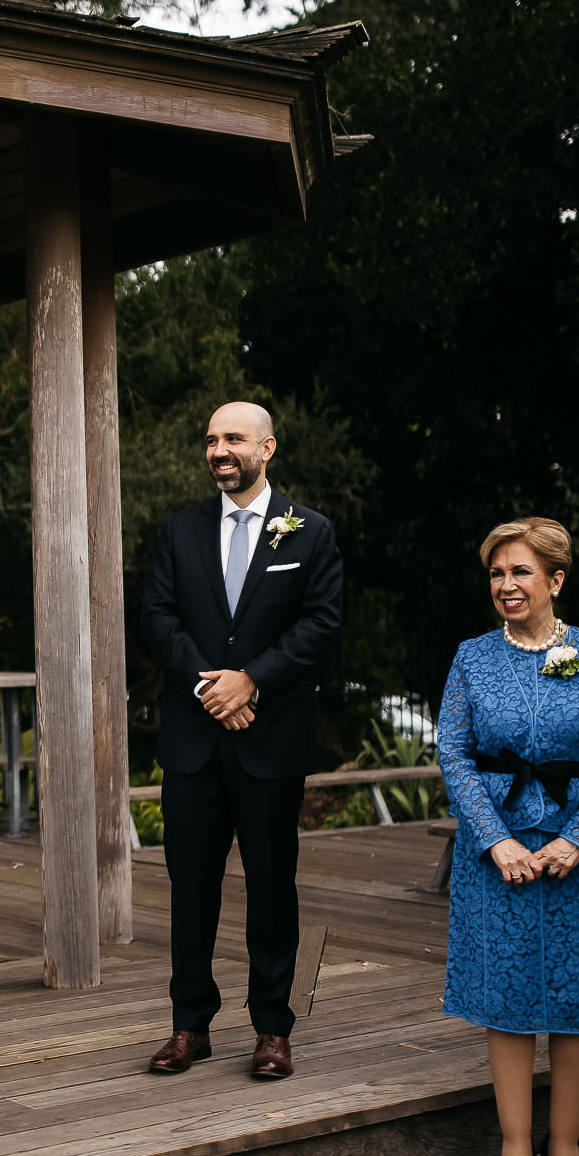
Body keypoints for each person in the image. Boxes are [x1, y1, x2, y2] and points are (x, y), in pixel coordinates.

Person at [140, 401, 343, 1080]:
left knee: (271, 887)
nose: (218, 449)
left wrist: (251, 681)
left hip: (270, 738)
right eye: (210, 439)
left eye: (232, 438)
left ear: (268, 447)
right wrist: (210, 687)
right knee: (190, 887)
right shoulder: (180, 530)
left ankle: (272, 1029)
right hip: (195, 740)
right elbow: (157, 616)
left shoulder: (310, 532)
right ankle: (189, 1024)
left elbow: (321, 624)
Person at [438, 516, 579, 1156]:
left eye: (521, 571)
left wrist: (578, 840)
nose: (506, 584)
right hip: (499, 853)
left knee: (578, 1004)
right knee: (508, 999)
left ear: (555, 579)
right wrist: (497, 839)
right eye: (496, 572)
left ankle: (566, 1147)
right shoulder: (470, 657)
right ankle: (516, 1146)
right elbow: (454, 755)